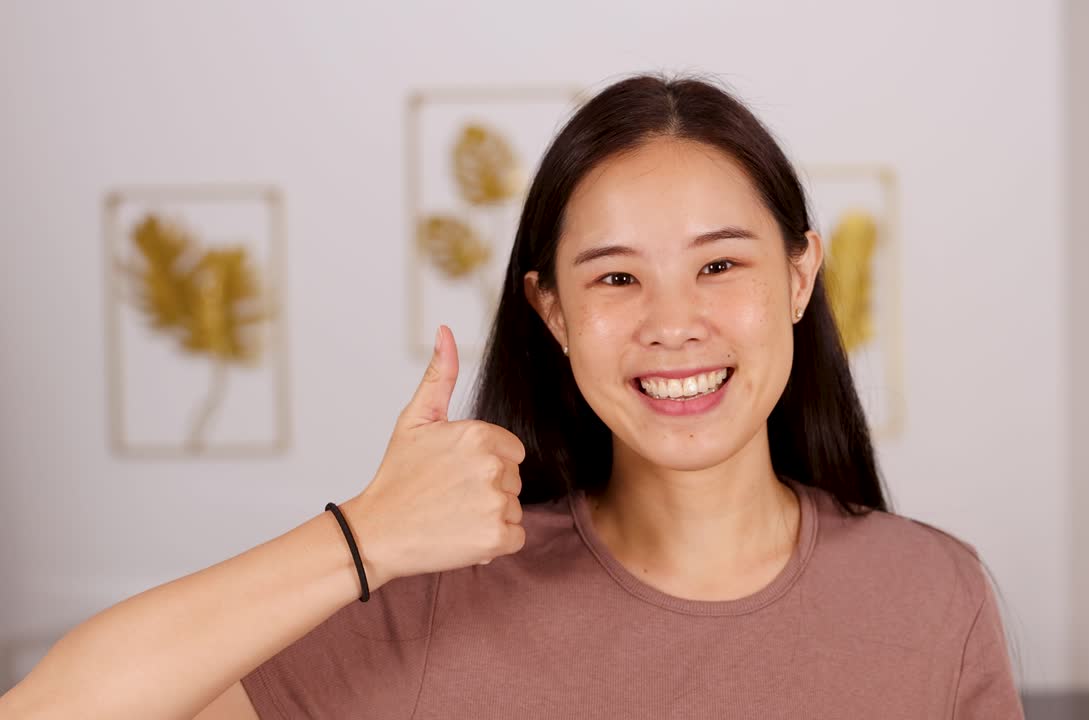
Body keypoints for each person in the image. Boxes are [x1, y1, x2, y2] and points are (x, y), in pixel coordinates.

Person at [0, 73, 1023, 719]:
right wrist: (363, 538)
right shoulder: (445, 598)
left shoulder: (932, 598)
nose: (674, 322)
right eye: (615, 278)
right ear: (551, 312)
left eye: (719, 267)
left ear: (799, 276)